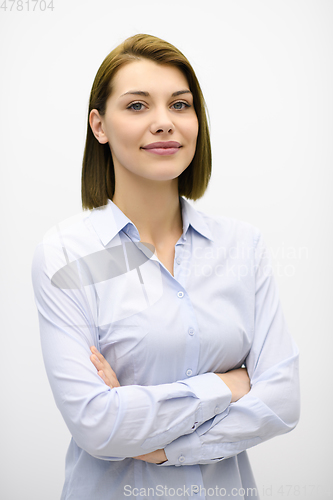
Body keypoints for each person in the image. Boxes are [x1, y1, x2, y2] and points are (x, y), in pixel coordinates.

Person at [31, 34, 300, 500]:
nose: (163, 123)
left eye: (180, 105)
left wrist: (159, 448)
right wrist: (227, 384)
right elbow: (97, 425)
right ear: (99, 125)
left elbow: (282, 401)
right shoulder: (66, 256)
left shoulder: (242, 246)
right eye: (137, 106)